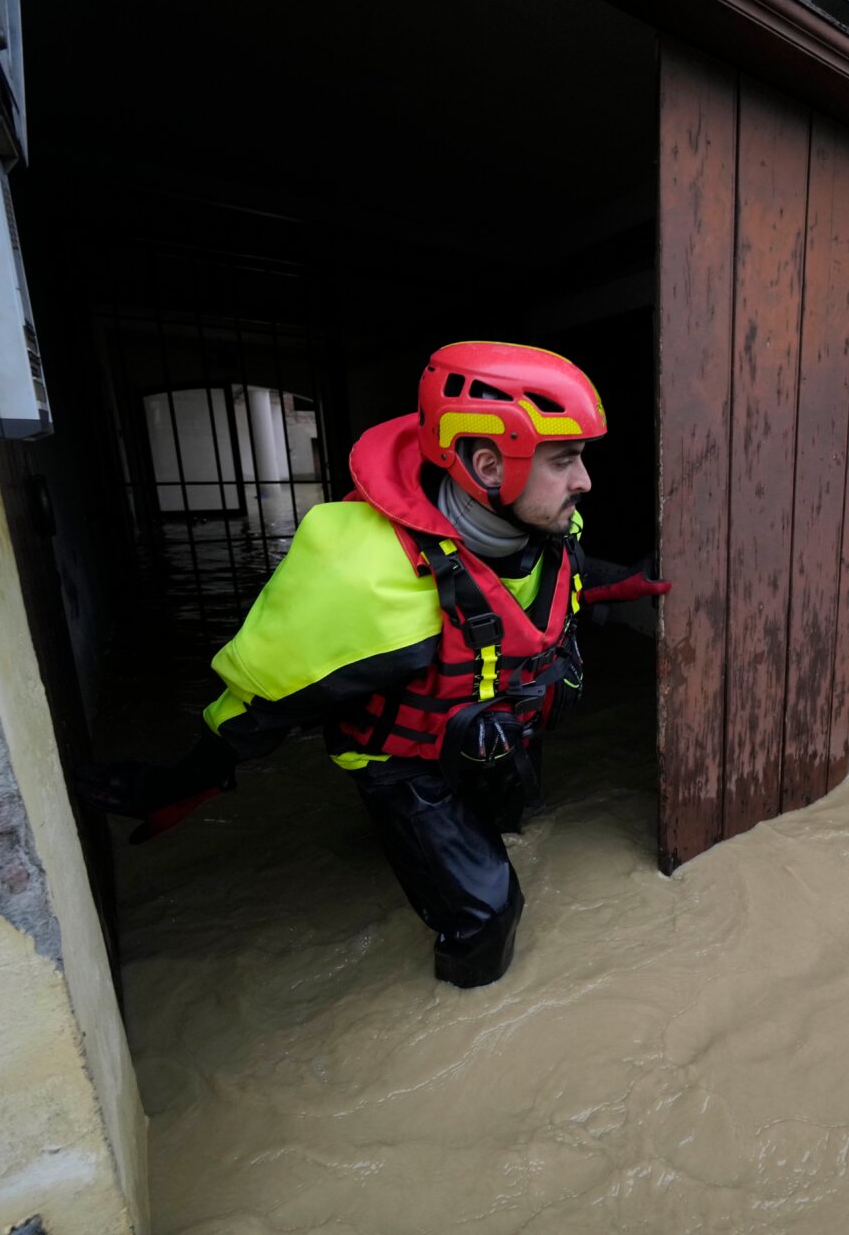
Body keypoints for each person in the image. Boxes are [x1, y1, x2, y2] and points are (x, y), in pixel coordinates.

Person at [87, 342, 667, 988]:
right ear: (486, 462)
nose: (584, 481)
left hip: (487, 725)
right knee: (489, 913)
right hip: (407, 761)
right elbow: (263, 702)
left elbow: (569, 583)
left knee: (515, 815)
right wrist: (185, 780)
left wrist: (635, 584)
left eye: (580, 458)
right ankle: (463, 993)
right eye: (563, 461)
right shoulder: (365, 577)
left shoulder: (554, 526)